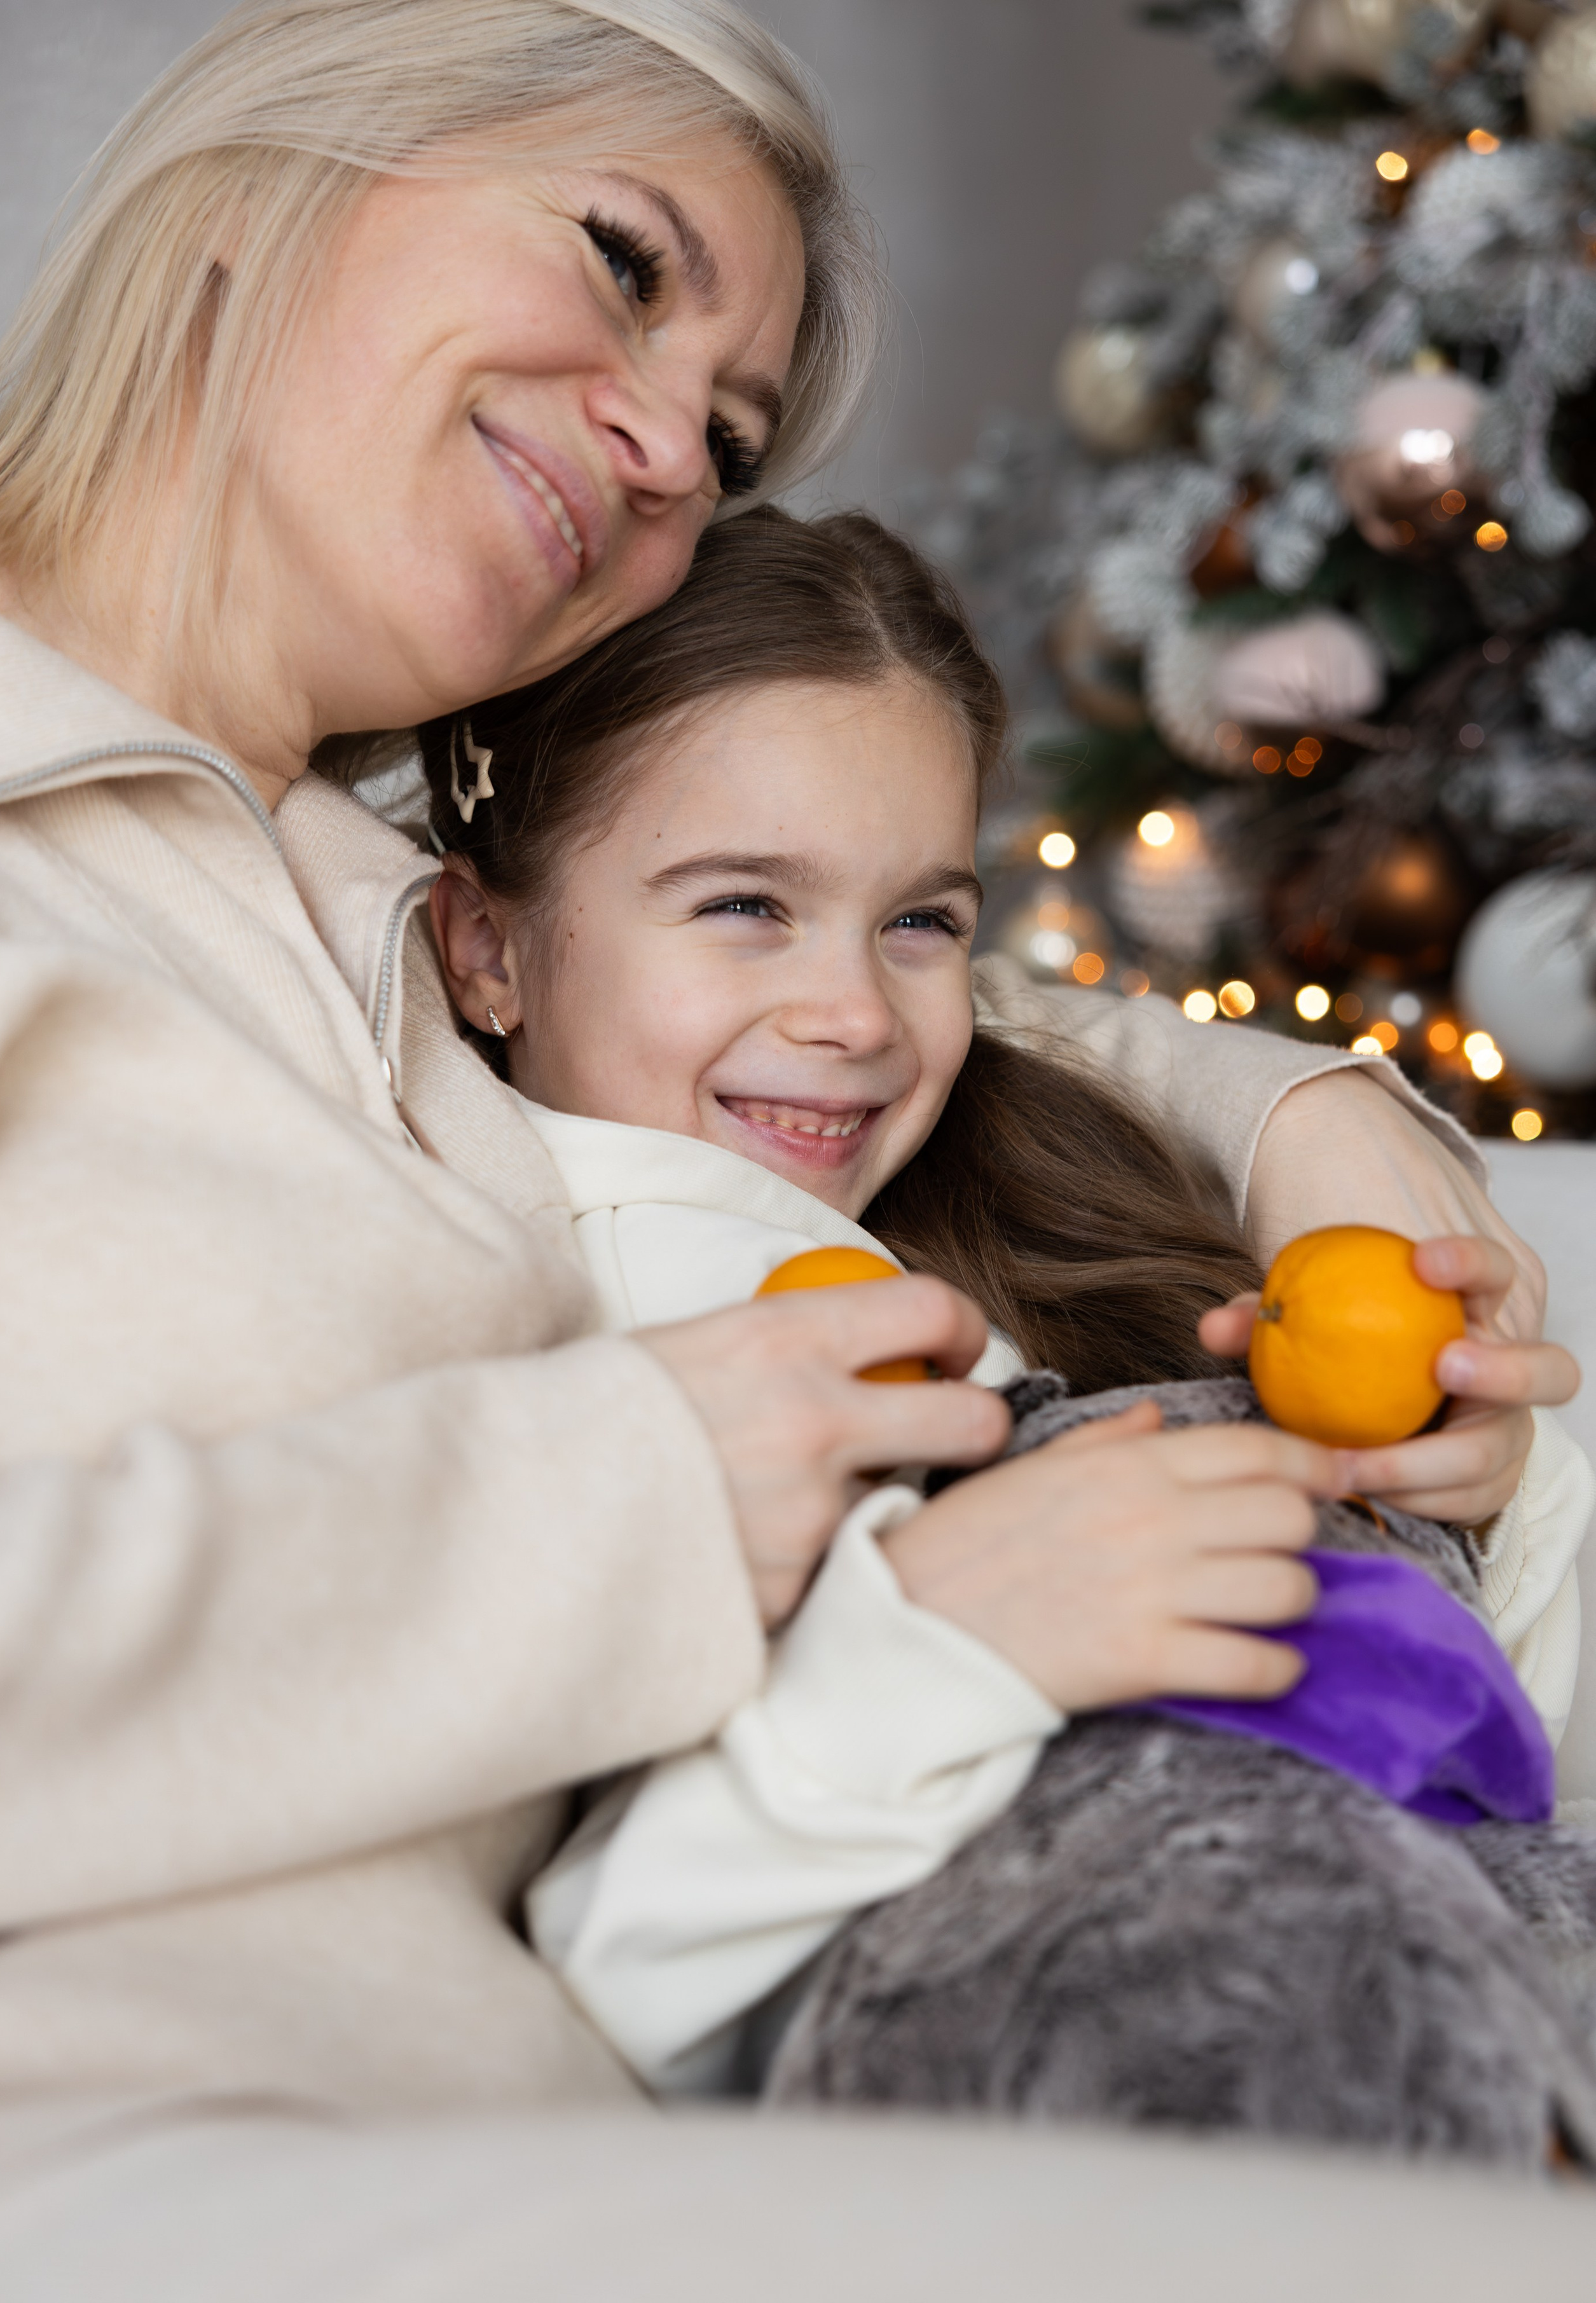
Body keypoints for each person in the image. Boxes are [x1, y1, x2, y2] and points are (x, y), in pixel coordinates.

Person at [0, 0, 1569, 2137]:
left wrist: (1309, 1109)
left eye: (729, 441)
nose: (659, 451)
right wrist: (648, 1500)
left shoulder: (382, 929)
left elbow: (845, 990)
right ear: (295, 150)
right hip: (162, 2166)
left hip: (635, 2159)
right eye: (625, 261)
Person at [408, 505, 1590, 2094]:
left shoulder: (1037, 1204)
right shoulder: (534, 1327)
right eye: (742, 904)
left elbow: (1509, 1773)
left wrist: (1495, 1491)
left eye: (919, 922)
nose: (851, 1014)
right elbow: (614, 1967)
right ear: (486, 946)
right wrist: (947, 1637)